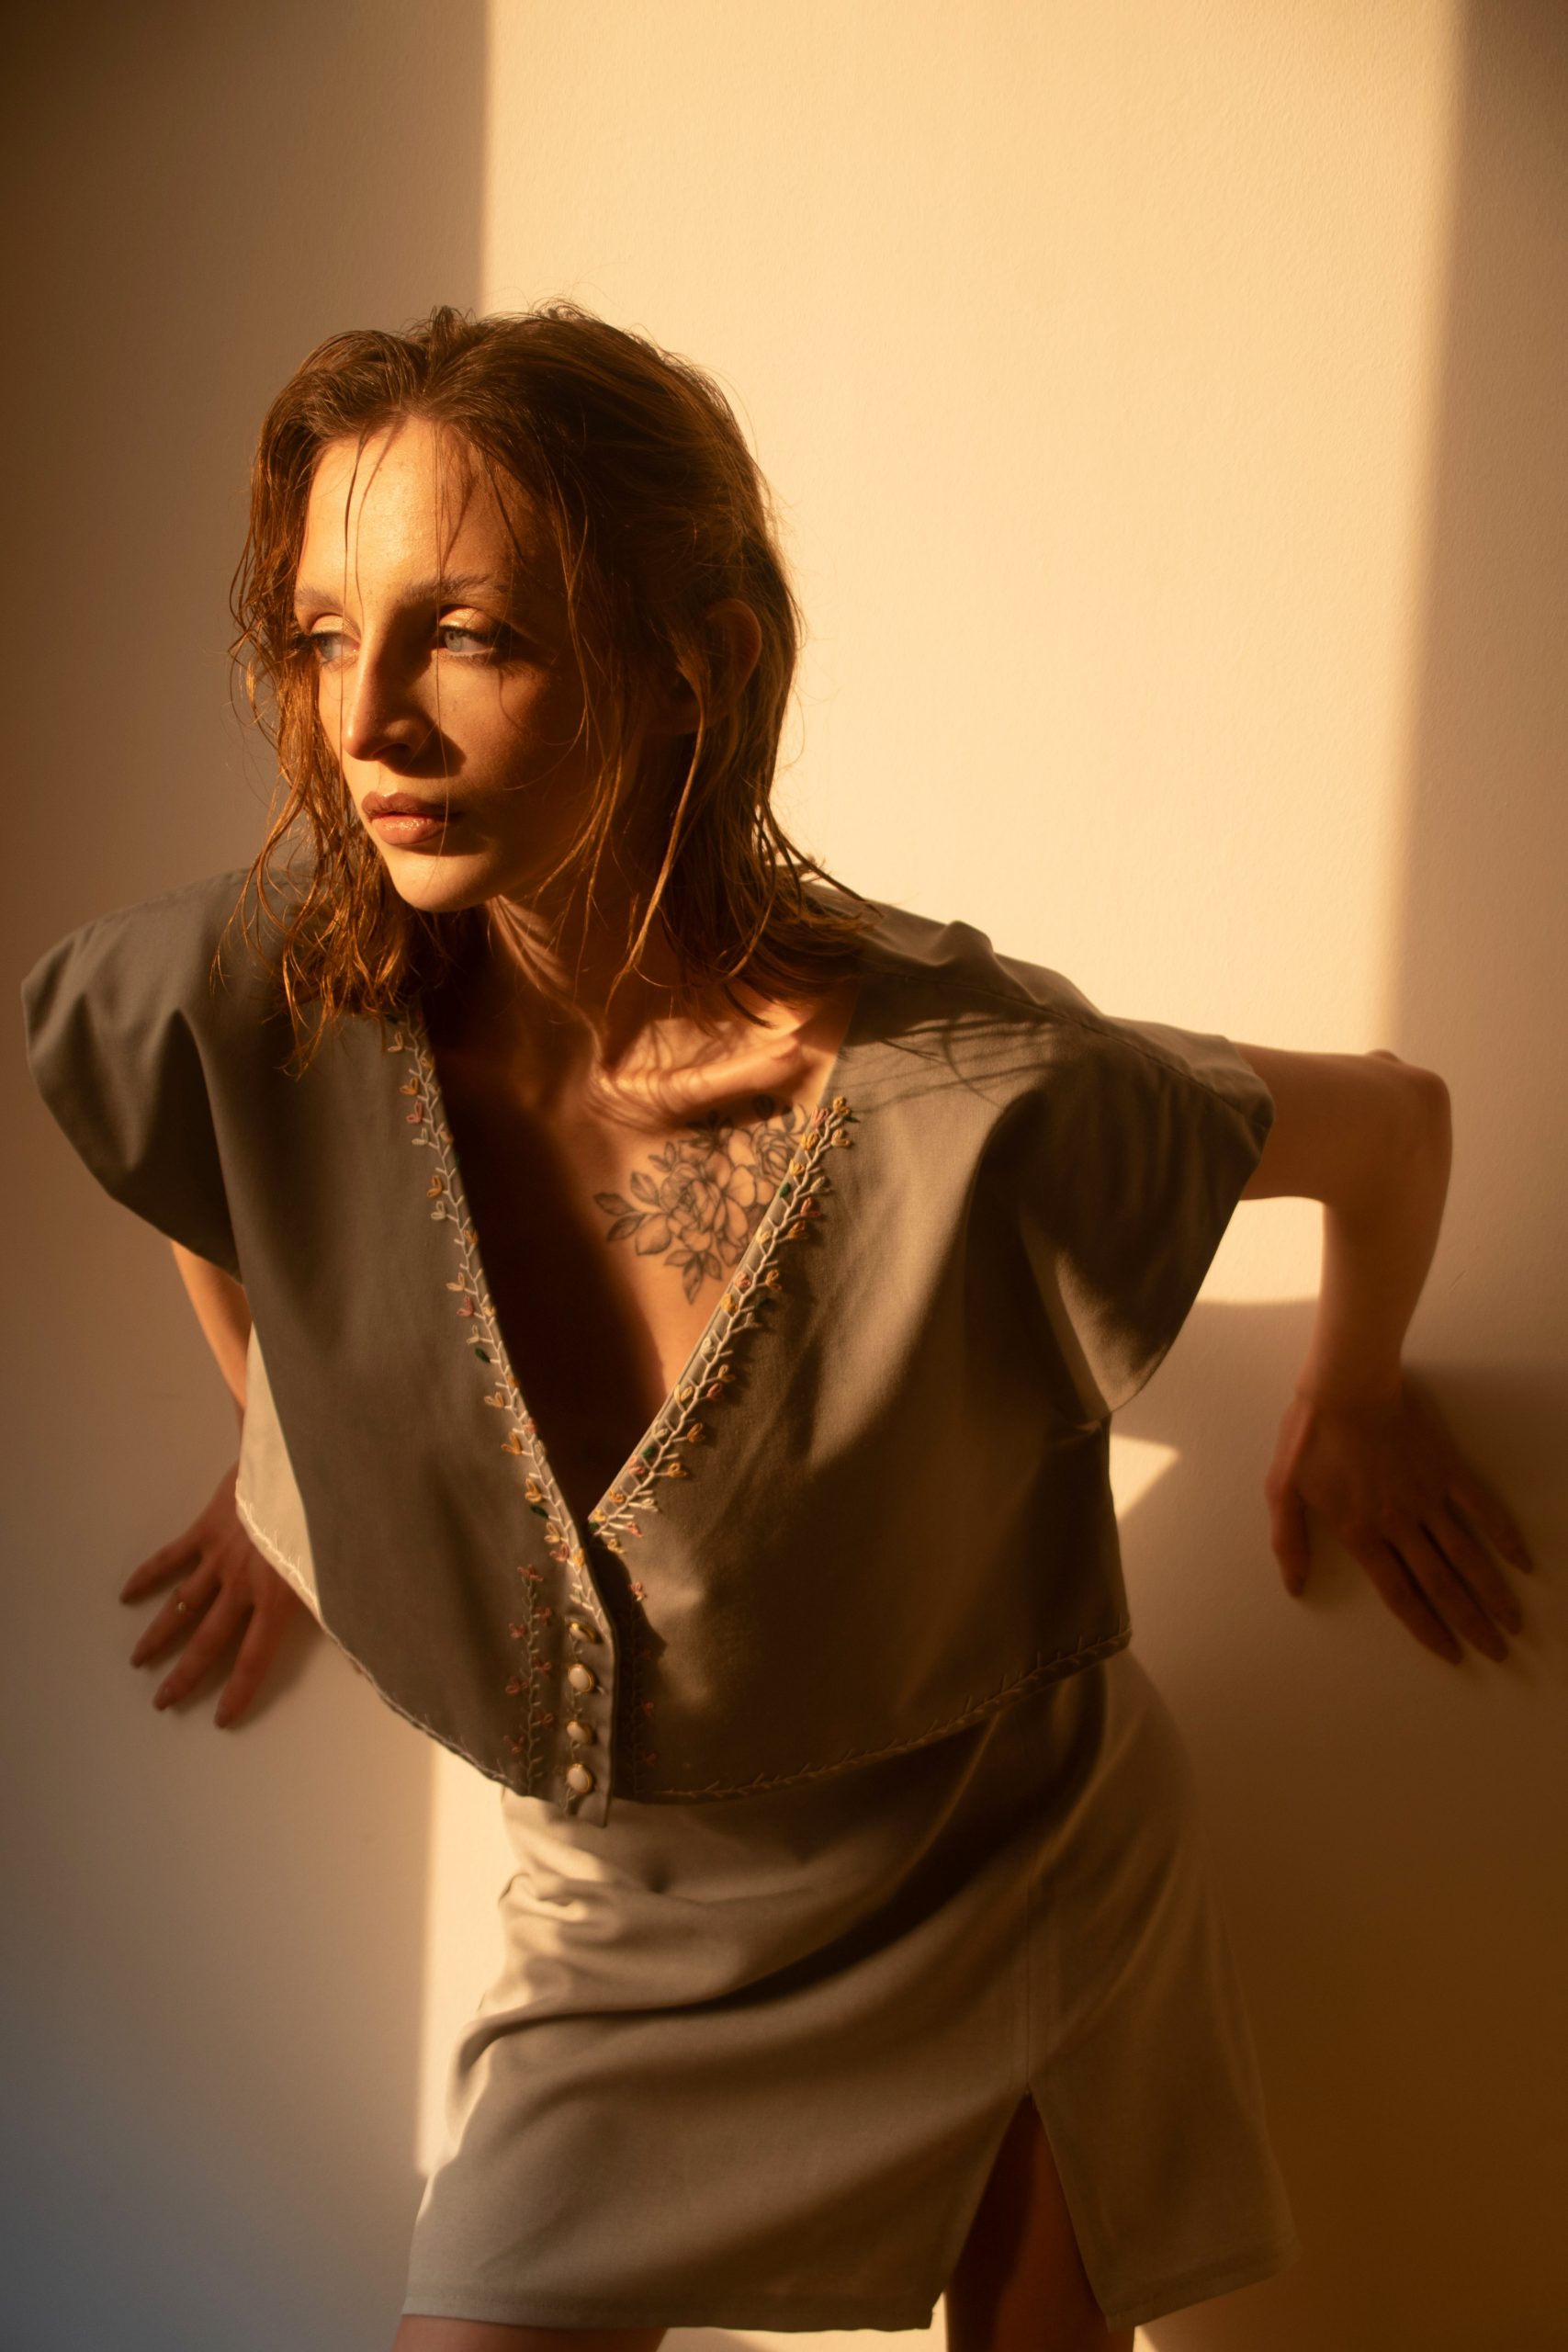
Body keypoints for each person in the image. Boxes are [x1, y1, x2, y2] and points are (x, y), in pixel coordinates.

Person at [19, 303, 1534, 2352]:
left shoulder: (978, 1096)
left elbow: (1396, 1121)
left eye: (470, 635)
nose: (366, 721)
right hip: (617, 1925)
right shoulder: (246, 996)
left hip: (1009, 1852)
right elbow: (203, 1173)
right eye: (318, 635)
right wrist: (302, 1450)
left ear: (696, 662)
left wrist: (1348, 1393)